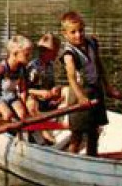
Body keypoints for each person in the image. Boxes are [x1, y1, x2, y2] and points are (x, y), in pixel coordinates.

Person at [60, 11, 114, 156]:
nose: (78, 35)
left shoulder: (91, 42)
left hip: (95, 91)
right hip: (78, 93)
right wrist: (81, 97)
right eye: (73, 32)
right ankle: (71, 159)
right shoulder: (68, 54)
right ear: (65, 34)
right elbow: (71, 77)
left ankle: (92, 158)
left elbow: (99, 65)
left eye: (81, 30)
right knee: (77, 134)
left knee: (93, 132)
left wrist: (107, 86)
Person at [0, 35, 33, 122]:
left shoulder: (21, 68)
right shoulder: (3, 68)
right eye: (26, 55)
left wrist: (24, 104)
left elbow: (22, 89)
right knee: (7, 114)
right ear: (15, 53)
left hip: (12, 97)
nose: (29, 57)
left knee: (22, 113)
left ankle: (22, 132)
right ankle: (5, 131)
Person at [27, 33, 62, 116]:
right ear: (44, 52)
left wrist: (55, 89)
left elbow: (52, 85)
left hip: (47, 99)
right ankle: (36, 124)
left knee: (66, 92)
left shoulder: (51, 66)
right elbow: (24, 90)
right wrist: (39, 93)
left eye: (56, 51)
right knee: (31, 103)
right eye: (54, 52)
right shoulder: (33, 67)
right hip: (35, 99)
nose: (56, 54)